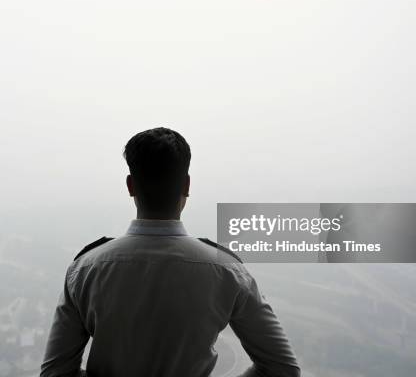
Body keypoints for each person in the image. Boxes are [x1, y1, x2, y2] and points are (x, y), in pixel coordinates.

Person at [40, 127, 300, 377]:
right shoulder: (228, 272)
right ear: (186, 184)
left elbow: (55, 373)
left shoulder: (86, 269)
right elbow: (283, 370)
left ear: (130, 186)